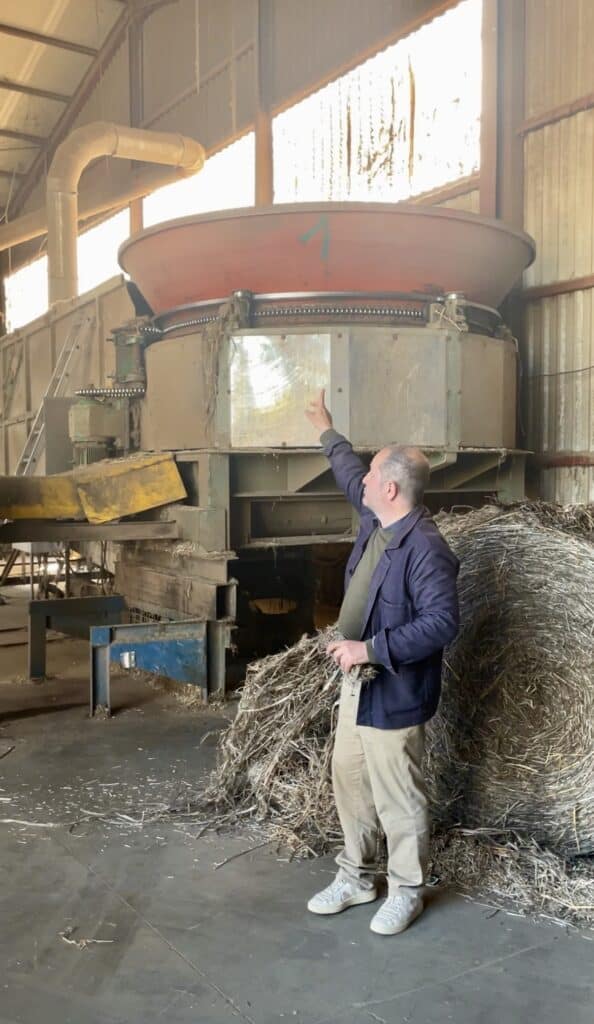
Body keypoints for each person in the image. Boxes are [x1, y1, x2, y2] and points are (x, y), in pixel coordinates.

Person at [304, 390, 459, 935]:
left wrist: (369, 649)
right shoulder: (378, 520)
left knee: (398, 796)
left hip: (394, 687)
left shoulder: (426, 549)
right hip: (359, 683)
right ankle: (357, 877)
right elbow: (350, 475)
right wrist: (326, 430)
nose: (363, 482)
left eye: (373, 476)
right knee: (349, 779)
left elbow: (442, 623)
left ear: (390, 488)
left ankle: (407, 891)